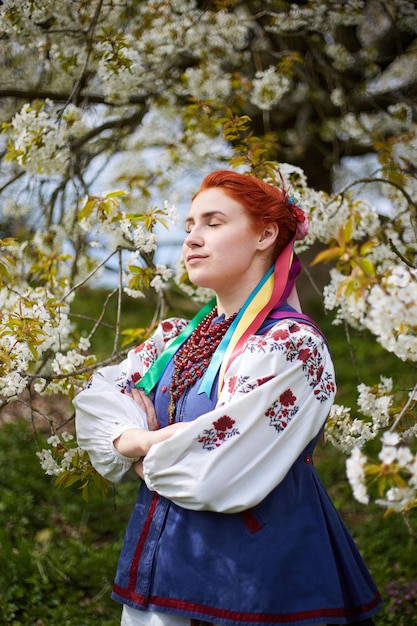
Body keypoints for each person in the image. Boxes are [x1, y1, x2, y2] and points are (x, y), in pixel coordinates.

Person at [74, 169, 382, 626]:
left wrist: (148, 450)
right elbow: (99, 398)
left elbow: (216, 470)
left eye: (213, 223)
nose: (192, 239)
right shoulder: (177, 338)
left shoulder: (289, 345)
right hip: (166, 569)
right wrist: (139, 442)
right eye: (190, 227)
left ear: (266, 234)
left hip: (258, 582)